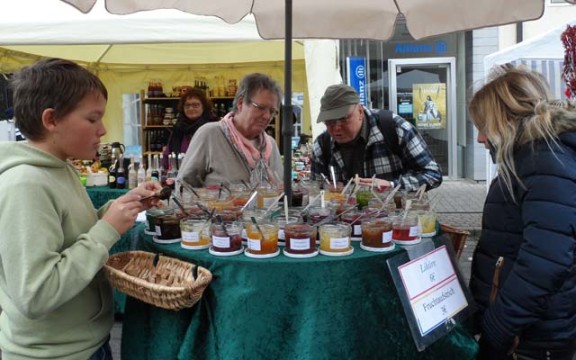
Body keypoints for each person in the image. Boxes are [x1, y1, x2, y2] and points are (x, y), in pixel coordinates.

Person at [0, 58, 162, 360]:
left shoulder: (60, 168)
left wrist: (119, 207)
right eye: (92, 119)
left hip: (85, 343)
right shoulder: (26, 184)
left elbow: (71, 237)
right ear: (51, 120)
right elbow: (35, 294)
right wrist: (107, 229)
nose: (103, 130)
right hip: (55, 354)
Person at [468, 64, 576, 360]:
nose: (480, 138)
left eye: (483, 125)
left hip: (531, 341)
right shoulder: (532, 158)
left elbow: (544, 265)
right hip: (529, 333)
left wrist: (495, 331)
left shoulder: (544, 162)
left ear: (506, 119)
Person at [310, 84, 442, 192]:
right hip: (342, 221)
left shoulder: (394, 128)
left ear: (360, 111)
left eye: (344, 119)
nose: (336, 128)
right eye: (329, 121)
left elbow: (433, 174)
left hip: (395, 220)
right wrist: (326, 190)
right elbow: (316, 191)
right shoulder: (322, 145)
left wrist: (392, 185)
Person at [177, 73, 283, 187]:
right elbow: (184, 186)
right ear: (241, 103)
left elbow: (280, 189)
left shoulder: (270, 145)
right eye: (261, 108)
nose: (267, 116)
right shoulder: (210, 135)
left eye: (272, 111)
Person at [161, 87, 217, 170]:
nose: (191, 108)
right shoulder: (178, 130)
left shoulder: (213, 128)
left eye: (195, 105)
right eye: (187, 105)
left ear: (204, 107)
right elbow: (167, 159)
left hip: (209, 179)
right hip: (181, 176)